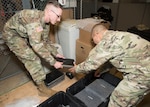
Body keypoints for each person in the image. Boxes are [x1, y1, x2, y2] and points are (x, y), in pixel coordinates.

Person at [69, 23, 150, 107]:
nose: (94, 43)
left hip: (142, 75)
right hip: (145, 72)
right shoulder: (119, 35)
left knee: (117, 100)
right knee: (131, 99)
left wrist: (76, 69)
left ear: (96, 34)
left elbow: (89, 65)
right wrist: (101, 70)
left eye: (93, 39)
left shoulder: (106, 42)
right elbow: (113, 58)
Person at [2, 0, 63, 97]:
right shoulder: (34, 21)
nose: (59, 19)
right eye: (58, 16)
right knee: (32, 59)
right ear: (50, 12)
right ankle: (42, 90)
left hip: (23, 32)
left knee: (32, 54)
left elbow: (45, 41)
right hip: (12, 35)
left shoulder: (46, 23)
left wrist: (56, 54)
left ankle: (31, 70)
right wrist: (54, 62)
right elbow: (37, 46)